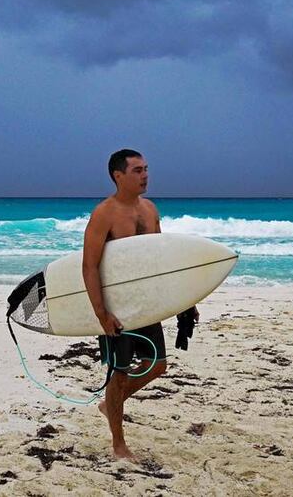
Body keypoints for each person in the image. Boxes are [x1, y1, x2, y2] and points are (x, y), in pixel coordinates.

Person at [83, 148, 186, 461]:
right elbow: (89, 266)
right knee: (120, 374)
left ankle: (109, 404)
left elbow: (159, 259)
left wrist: (183, 301)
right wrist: (101, 313)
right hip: (118, 308)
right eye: (138, 170)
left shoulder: (150, 209)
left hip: (146, 303)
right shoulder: (105, 213)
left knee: (158, 365)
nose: (145, 175)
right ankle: (118, 445)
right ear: (119, 176)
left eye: (146, 169)